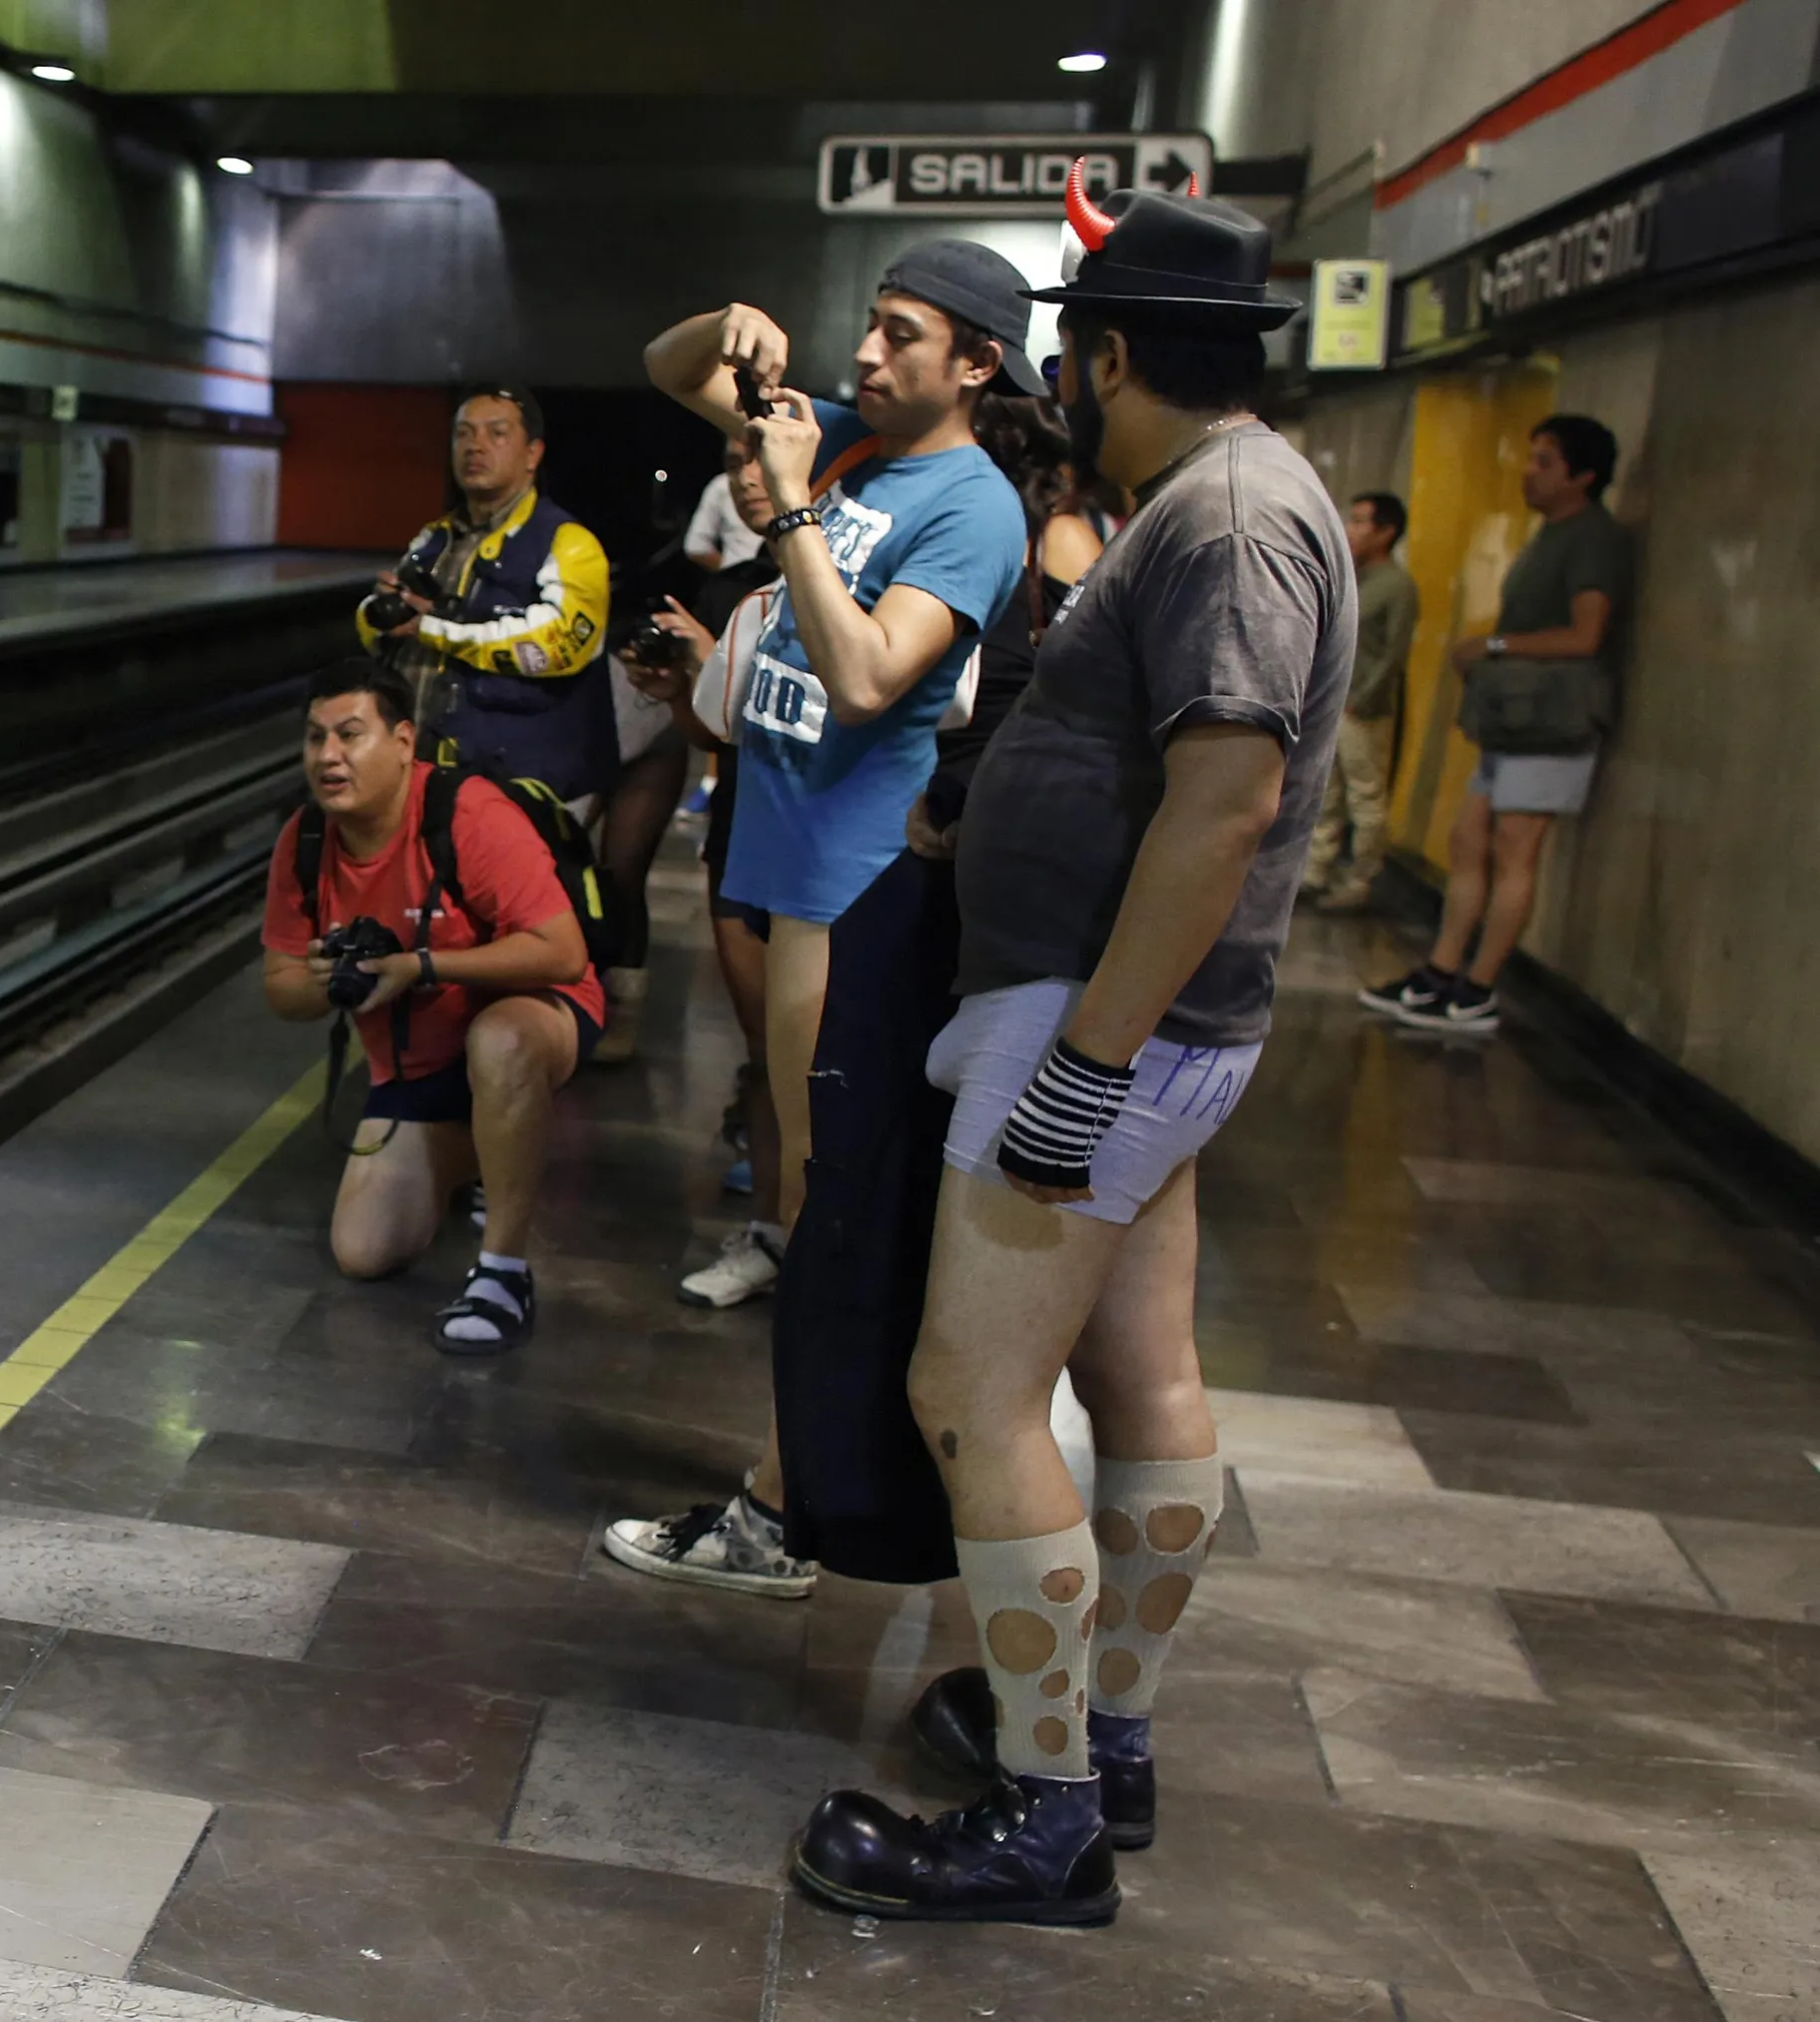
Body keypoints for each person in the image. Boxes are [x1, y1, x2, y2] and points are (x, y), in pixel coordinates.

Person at [795, 181, 1351, 1924]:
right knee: (1135, 1377)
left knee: (973, 1395)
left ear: (1114, 356)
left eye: (1074, 364)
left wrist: (1088, 1063)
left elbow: (1230, 795)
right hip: (1135, 1022)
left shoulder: (1231, 521)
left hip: (1102, 1031)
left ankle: (1045, 1817)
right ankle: (1101, 1738)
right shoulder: (1228, 500)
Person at [601, 242, 1037, 1595]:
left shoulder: (972, 505)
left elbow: (865, 678)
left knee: (822, 1199)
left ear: (976, 362)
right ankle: (799, 1491)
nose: (865, 355)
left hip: (861, 890)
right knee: (805, 1187)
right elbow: (672, 372)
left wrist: (790, 511)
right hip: (785, 872)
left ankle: (791, 1507)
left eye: (903, 336)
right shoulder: (846, 437)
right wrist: (722, 322)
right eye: (866, 326)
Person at [263, 659, 604, 1354]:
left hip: (534, 1015)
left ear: (402, 741)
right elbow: (281, 987)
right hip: (414, 1059)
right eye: (315, 738)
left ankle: (504, 1273)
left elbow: (563, 951)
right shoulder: (303, 842)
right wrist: (329, 979)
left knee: (500, 1042)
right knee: (362, 1250)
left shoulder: (466, 813)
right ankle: (490, 1146)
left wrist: (419, 965)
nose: (328, 755)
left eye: (350, 735)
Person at [1360, 419, 1627, 1031]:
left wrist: (1497, 645)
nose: (1529, 471)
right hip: (1513, 722)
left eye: (1544, 462)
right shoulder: (1547, 537)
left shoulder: (1594, 540)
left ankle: (1478, 986)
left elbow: (1586, 635)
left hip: (1553, 721)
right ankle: (1440, 970)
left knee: (1515, 851)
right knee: (1468, 842)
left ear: (1582, 476)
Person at [626, 438, 786, 1304]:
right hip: (742, 831)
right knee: (766, 1051)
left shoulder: (840, 576)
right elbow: (713, 732)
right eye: (731, 458)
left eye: (763, 455)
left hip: (827, 841)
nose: (745, 475)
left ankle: (826, 1235)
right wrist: (680, 683)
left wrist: (720, 661)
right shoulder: (732, 588)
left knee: (819, 1058)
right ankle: (769, 1229)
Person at [356, 387, 615, 806]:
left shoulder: (568, 543)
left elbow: (563, 642)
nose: (475, 446)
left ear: (533, 454)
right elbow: (379, 633)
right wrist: (378, 613)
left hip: (516, 787)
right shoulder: (434, 539)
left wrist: (432, 629)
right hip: (418, 776)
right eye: (463, 434)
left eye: (496, 434)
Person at [1304, 491, 1418, 911]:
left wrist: (1361, 700)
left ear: (1386, 533)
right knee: (1326, 794)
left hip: (1362, 711)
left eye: (1360, 522)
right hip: (1333, 704)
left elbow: (1393, 656)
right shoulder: (1352, 579)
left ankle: (1361, 880)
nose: (1349, 529)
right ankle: (1317, 871)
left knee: (1365, 797)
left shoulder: (1397, 587)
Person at [681, 461, 767, 573]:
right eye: (733, 460)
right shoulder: (721, 486)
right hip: (742, 581)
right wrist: (730, 572)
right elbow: (696, 545)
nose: (746, 481)